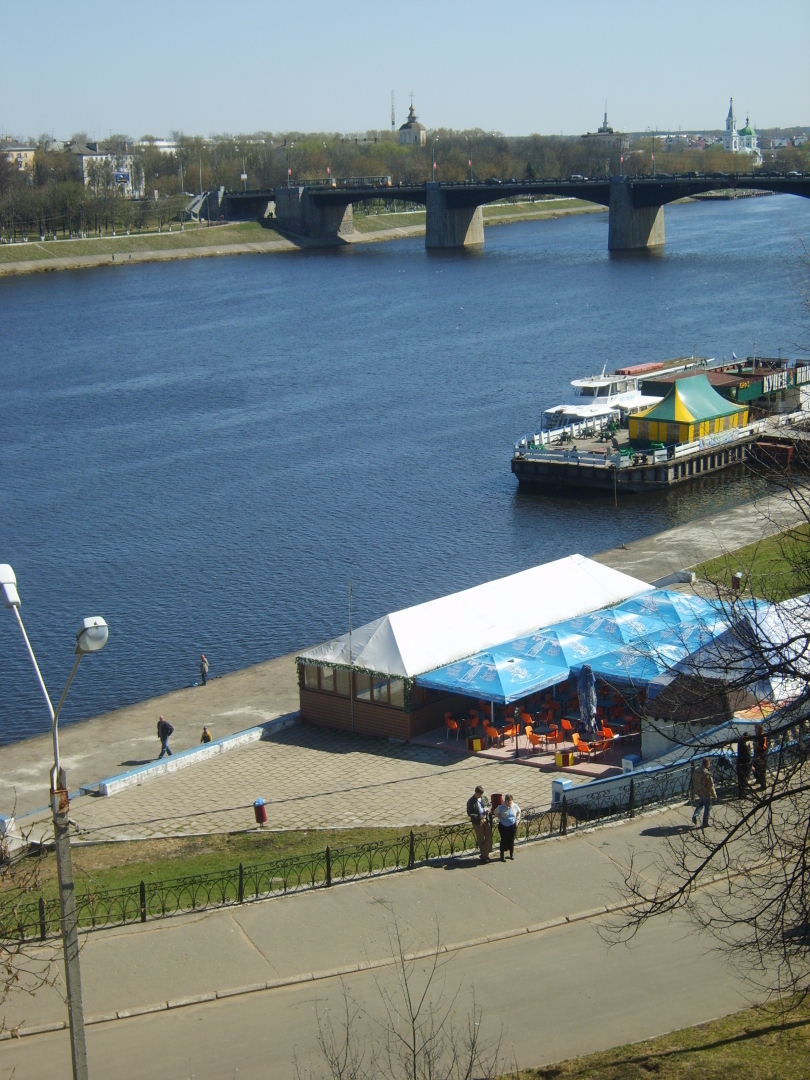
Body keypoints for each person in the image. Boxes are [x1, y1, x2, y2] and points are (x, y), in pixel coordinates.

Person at [466, 785, 492, 863]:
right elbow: (470, 813)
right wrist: (479, 816)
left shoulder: (483, 798)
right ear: (476, 793)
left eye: (481, 794)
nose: (481, 796)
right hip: (478, 822)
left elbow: (488, 804)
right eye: (479, 794)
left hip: (486, 819)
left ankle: (483, 854)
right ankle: (485, 856)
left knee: (489, 837)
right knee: (480, 839)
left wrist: (488, 809)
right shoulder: (471, 801)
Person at [495, 793, 521, 861]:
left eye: (510, 801)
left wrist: (517, 821)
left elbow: (518, 813)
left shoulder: (515, 806)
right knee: (504, 840)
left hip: (512, 826)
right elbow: (495, 812)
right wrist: (500, 817)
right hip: (503, 826)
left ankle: (511, 853)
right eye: (508, 801)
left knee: (511, 840)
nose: (509, 803)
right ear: (505, 801)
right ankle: (502, 855)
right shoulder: (501, 807)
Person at [692, 759, 717, 828]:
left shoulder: (696, 770)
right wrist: (714, 795)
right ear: (707, 764)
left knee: (701, 803)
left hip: (698, 790)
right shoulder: (706, 773)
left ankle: (695, 816)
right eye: (709, 764)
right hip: (705, 792)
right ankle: (705, 822)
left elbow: (694, 780)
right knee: (707, 807)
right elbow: (711, 786)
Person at [753, 725, 768, 790]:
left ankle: (763, 785)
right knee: (754, 767)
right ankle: (758, 779)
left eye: (756, 729)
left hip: (761, 756)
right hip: (756, 755)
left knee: (761, 770)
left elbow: (764, 747)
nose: (755, 730)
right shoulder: (757, 736)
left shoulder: (762, 737)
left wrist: (757, 746)